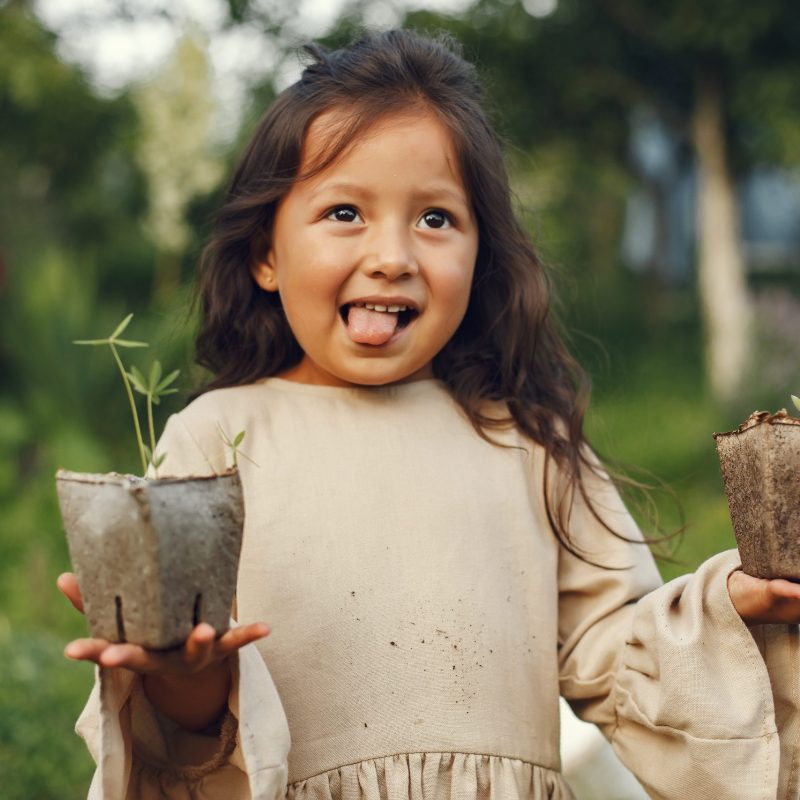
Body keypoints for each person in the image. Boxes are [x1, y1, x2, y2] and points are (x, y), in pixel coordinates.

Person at [58, 29, 800, 800]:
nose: (393, 255)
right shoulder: (217, 439)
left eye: (436, 219)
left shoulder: (527, 443)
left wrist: (732, 608)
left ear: (481, 257)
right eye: (345, 211)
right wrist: (185, 671)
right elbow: (191, 727)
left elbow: (618, 656)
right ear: (265, 253)